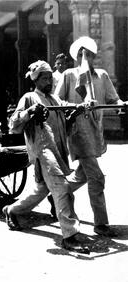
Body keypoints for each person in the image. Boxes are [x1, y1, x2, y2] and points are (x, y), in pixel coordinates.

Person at [3, 60, 89, 254]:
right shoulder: (29, 97)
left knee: (41, 191)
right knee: (62, 189)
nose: (49, 80)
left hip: (57, 152)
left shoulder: (55, 99)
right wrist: (30, 112)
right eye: (45, 78)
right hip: (42, 151)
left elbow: (66, 112)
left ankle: (11, 210)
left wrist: (78, 110)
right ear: (36, 80)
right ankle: (70, 236)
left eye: (50, 77)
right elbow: (13, 123)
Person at [54, 36, 123, 238]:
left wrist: (121, 104)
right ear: (76, 56)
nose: (86, 58)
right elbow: (57, 99)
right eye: (82, 54)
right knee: (97, 177)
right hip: (77, 132)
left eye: (89, 55)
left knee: (80, 176)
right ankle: (101, 223)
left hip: (95, 131)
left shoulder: (101, 75)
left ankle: (60, 193)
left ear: (94, 56)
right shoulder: (69, 75)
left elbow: (113, 98)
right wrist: (73, 107)